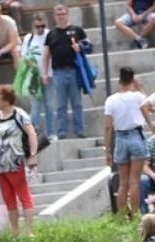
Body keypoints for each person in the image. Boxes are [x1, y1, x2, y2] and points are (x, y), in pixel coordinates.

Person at [0, 86, 39, 235]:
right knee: (8, 198)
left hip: (14, 162)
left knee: (23, 195)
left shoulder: (19, 114)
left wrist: (33, 156)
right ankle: (15, 231)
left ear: (7, 99)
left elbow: (31, 134)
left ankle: (29, 231)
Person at [43, 5, 93, 141]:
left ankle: (80, 130)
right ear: (54, 16)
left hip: (74, 70)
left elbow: (89, 46)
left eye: (63, 14)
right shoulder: (51, 34)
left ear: (67, 14)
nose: (61, 16)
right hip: (58, 72)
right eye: (58, 14)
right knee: (60, 104)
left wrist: (80, 47)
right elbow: (46, 55)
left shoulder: (77, 30)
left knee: (77, 102)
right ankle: (62, 131)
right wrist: (44, 73)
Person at [105, 68, 150, 216]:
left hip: (120, 138)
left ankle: (122, 215)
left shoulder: (111, 100)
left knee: (123, 182)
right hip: (136, 135)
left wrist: (107, 150)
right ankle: (136, 214)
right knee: (134, 181)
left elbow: (107, 127)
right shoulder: (138, 96)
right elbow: (151, 108)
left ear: (119, 81)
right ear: (133, 80)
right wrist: (140, 88)